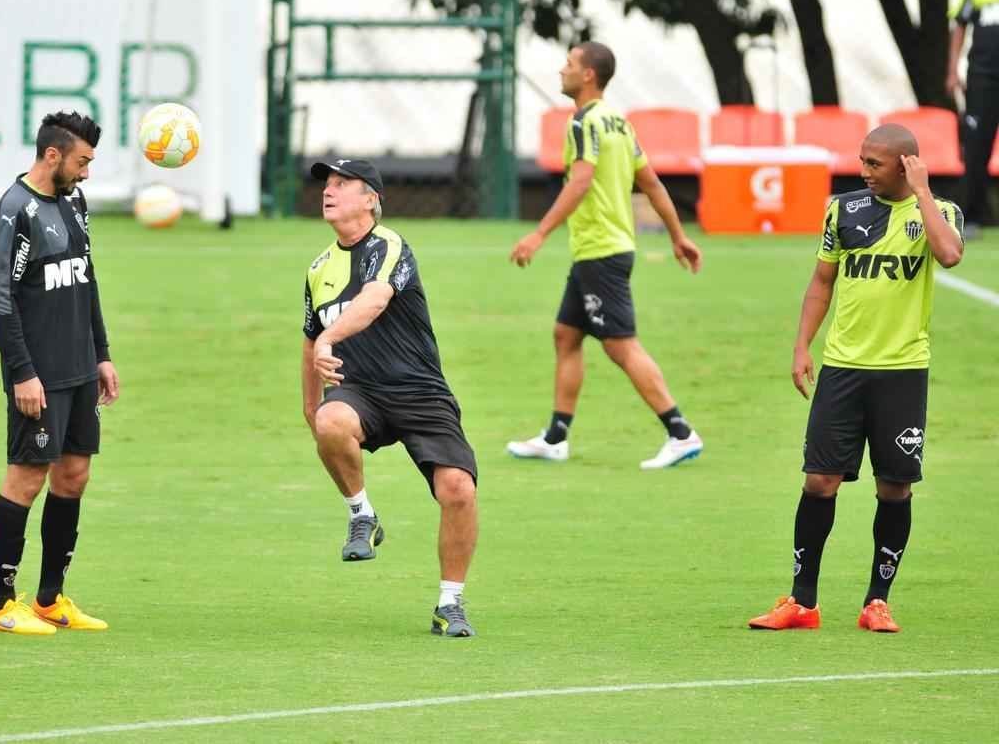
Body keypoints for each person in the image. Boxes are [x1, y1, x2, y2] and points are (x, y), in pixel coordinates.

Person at [748, 124, 963, 633]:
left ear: (906, 165)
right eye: (862, 160)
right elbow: (822, 281)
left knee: (894, 488)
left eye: (874, 163)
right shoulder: (843, 210)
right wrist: (802, 345)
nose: (863, 171)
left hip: (902, 372)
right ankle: (802, 602)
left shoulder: (940, 212)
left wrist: (922, 192)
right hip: (843, 368)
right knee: (819, 481)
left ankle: (877, 601)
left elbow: (950, 255)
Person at [302, 159, 479, 637]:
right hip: (359, 391)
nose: (329, 191)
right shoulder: (319, 268)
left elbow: (374, 300)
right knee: (330, 421)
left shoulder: (390, 246)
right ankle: (362, 514)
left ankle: (450, 603)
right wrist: (311, 406)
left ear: (371, 199)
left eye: (343, 184)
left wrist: (329, 338)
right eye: (327, 184)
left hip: (419, 391)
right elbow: (309, 337)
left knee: (458, 490)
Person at [506, 42, 704, 469]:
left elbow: (580, 181)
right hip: (601, 251)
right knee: (566, 335)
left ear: (588, 75)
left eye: (569, 64)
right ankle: (556, 437)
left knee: (621, 346)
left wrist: (539, 234)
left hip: (602, 252)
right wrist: (678, 236)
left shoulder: (584, 122)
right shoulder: (618, 122)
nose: (561, 70)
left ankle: (680, 432)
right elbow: (651, 183)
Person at [0, 111, 120, 635]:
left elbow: (86, 279)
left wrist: (101, 354)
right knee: (27, 477)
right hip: (38, 374)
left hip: (79, 368)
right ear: (53, 154)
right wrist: (21, 372)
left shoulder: (74, 202)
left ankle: (48, 598)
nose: (86, 172)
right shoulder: (14, 212)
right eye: (82, 161)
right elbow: (2, 301)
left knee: (74, 475)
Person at [946, 0, 999, 230]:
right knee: (977, 146)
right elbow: (960, 25)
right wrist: (953, 70)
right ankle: (972, 216)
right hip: (982, 76)